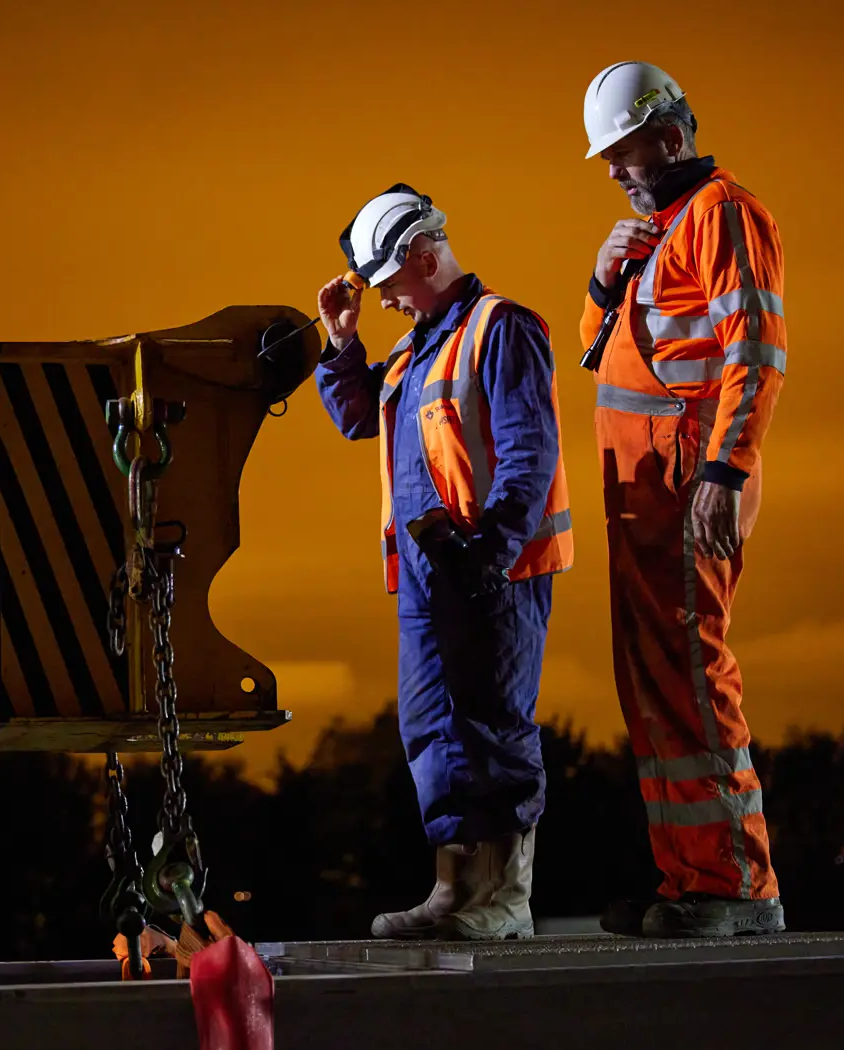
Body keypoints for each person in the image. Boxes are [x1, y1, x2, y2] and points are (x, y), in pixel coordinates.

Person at [314, 185, 573, 940]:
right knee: (433, 727)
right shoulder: (415, 347)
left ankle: (504, 897)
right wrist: (341, 344)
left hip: (491, 566)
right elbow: (358, 416)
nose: (385, 299)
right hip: (431, 573)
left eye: (390, 282)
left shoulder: (501, 328)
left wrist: (493, 549)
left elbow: (529, 450)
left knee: (492, 724)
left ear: (426, 258)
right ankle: (456, 889)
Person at [578, 61, 789, 937]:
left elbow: (756, 351)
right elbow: (604, 351)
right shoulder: (661, 230)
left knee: (694, 680)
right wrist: (602, 282)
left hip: (689, 480)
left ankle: (737, 887)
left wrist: (724, 471)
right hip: (652, 493)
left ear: (668, 138)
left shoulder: (722, 215)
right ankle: (692, 880)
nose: (614, 172)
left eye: (621, 153)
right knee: (658, 687)